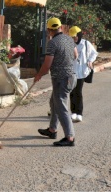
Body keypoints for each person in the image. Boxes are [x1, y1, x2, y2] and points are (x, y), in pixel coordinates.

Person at [34, 18, 78, 146]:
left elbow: (47, 64)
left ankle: (70, 138)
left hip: (62, 79)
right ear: (61, 28)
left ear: (49, 30)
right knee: (54, 102)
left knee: (61, 107)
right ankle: (52, 130)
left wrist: (38, 75)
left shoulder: (53, 43)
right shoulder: (69, 39)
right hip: (71, 77)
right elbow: (75, 55)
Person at [68, 26, 98, 122]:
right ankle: (73, 112)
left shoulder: (85, 43)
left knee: (78, 92)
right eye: (72, 37)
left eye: (75, 36)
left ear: (79, 35)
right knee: (72, 92)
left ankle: (79, 113)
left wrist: (90, 61)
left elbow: (94, 53)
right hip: (72, 72)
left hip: (81, 72)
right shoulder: (69, 44)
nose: (74, 39)